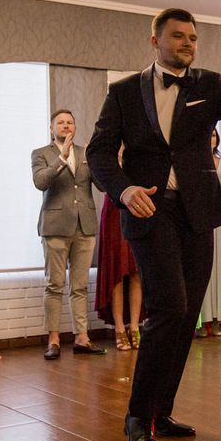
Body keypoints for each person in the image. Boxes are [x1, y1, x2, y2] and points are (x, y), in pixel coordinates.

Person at [86, 7, 221, 441]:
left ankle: (161, 412)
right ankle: (137, 416)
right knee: (169, 307)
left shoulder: (208, 84)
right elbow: (99, 153)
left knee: (187, 314)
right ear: (155, 40)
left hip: (198, 210)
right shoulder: (123, 92)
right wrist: (123, 190)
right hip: (149, 208)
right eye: (178, 36)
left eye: (193, 38)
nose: (187, 44)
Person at [32, 110, 103, 359]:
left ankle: (82, 337)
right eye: (60, 122)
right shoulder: (41, 153)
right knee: (54, 284)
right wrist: (61, 158)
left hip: (85, 225)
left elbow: (101, 185)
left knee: (80, 286)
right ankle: (53, 339)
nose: (65, 125)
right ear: (51, 128)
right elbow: (40, 182)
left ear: (75, 127)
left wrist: (104, 160)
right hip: (55, 226)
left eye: (69, 122)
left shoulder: (86, 153)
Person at [95, 147, 143, 350]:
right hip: (114, 210)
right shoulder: (106, 154)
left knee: (136, 271)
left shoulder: (139, 152)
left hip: (138, 207)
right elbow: (101, 183)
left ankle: (135, 326)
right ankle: (119, 328)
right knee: (117, 270)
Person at [198, 130, 221, 337]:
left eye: (213, 135)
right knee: (201, 269)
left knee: (218, 268)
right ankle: (200, 320)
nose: (210, 138)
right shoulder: (193, 159)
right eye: (208, 134)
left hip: (219, 217)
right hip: (199, 216)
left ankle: (216, 318)